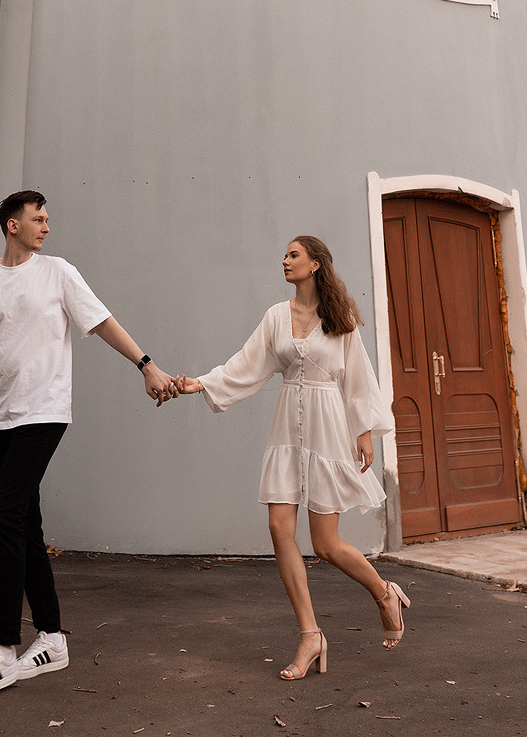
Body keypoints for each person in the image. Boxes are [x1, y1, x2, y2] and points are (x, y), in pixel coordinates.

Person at [0, 189, 178, 699]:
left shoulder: (58, 273)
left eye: (47, 219)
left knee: (3, 513)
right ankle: (51, 638)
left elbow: (102, 322)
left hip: (45, 411)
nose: (47, 227)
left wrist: (146, 365)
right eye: (39, 219)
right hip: (0, 417)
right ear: (12, 225)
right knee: (25, 523)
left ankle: (3, 648)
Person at [175, 235, 409, 680]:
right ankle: (310, 635)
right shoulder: (275, 317)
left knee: (325, 545)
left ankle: (384, 594)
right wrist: (200, 383)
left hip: (328, 426)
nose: (285, 261)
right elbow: (246, 364)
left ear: (316, 264)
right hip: (287, 427)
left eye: (294, 255)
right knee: (279, 527)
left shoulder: (340, 318)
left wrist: (364, 433)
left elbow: (358, 377)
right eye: (284, 255)